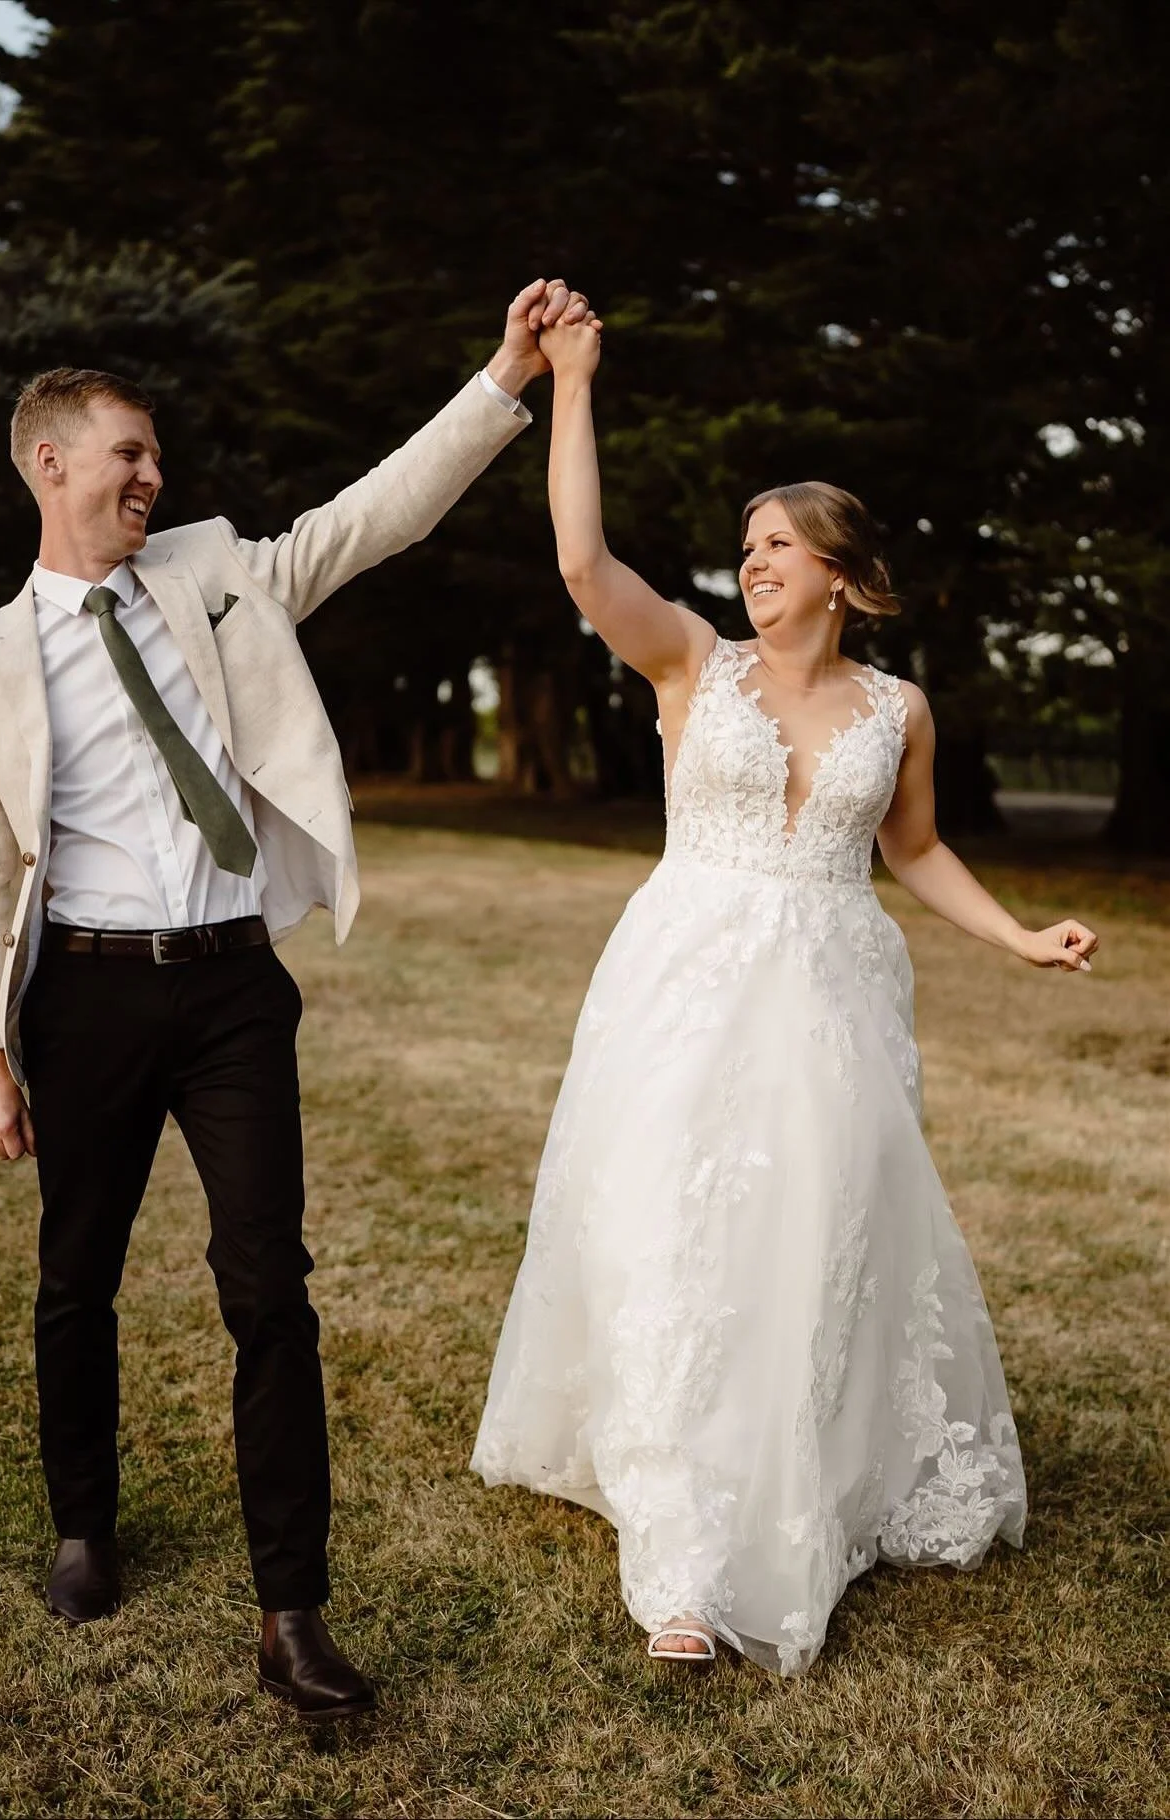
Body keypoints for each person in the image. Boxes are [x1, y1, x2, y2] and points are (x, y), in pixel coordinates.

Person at [0, 276, 595, 1723]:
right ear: (50, 462)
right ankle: (84, 1527)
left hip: (234, 990)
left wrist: (507, 377)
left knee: (268, 1293)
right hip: (87, 1002)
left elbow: (378, 514)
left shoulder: (217, 571)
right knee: (75, 1281)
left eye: (156, 461)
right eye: (129, 456)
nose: (152, 478)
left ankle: (293, 1613)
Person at [472, 313, 1100, 1674]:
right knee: (678, 1233)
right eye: (744, 548)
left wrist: (1017, 938)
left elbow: (916, 850)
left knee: (819, 1230)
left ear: (839, 573)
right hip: (687, 979)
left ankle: (813, 1470)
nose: (753, 564)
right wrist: (573, 383)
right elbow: (583, 559)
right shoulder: (695, 665)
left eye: (777, 546)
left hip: (835, 988)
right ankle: (687, 1565)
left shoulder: (899, 711)